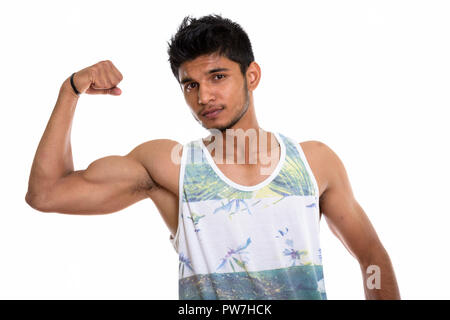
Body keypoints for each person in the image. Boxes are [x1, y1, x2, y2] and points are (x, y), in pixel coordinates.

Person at [25, 14, 400, 300]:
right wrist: (70, 90)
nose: (203, 97)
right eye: (191, 84)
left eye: (217, 77)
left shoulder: (314, 162)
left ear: (251, 75)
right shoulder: (170, 166)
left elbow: (371, 257)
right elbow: (47, 193)